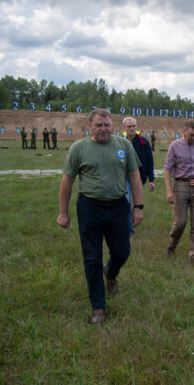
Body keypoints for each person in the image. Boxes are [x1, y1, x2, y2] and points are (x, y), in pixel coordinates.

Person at [56, 108, 144, 324]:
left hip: (117, 206)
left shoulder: (123, 146)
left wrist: (138, 206)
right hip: (89, 207)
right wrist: (63, 212)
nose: (103, 129)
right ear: (90, 127)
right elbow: (67, 181)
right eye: (98, 125)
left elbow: (134, 176)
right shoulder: (79, 148)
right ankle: (98, 308)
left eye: (106, 125)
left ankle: (110, 273)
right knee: (91, 258)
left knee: (122, 252)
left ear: (112, 126)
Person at [164, 121, 194, 267]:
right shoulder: (175, 146)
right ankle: (172, 244)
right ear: (184, 130)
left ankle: (193, 255)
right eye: (191, 135)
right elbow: (167, 169)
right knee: (180, 223)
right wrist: (169, 191)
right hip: (180, 186)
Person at [122, 117, 155, 236]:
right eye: (129, 126)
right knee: (126, 201)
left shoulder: (144, 142)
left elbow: (150, 161)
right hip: (124, 178)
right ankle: (129, 231)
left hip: (139, 178)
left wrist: (151, 179)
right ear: (124, 128)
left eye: (134, 126)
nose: (132, 128)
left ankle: (128, 223)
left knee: (137, 203)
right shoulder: (120, 142)